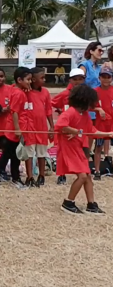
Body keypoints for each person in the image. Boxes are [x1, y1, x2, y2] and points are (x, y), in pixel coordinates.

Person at [55, 84, 112, 215]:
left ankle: (91, 204)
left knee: (87, 176)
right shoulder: (70, 112)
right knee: (82, 176)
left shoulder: (84, 115)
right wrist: (74, 130)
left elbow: (92, 131)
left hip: (78, 148)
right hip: (69, 148)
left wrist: (108, 133)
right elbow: (60, 125)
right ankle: (68, 202)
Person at [0, 67, 32, 189]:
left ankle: (14, 178)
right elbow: (15, 112)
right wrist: (17, 129)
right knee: (9, 153)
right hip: (14, 129)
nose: (30, 82)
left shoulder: (15, 90)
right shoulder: (18, 93)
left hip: (14, 128)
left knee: (13, 154)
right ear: (19, 80)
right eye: (28, 80)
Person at [51, 68, 86, 185]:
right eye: (75, 79)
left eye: (80, 79)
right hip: (65, 127)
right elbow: (52, 102)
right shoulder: (65, 94)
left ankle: (82, 171)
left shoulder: (84, 94)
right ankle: (61, 175)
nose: (77, 81)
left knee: (81, 148)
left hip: (78, 126)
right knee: (61, 151)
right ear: (70, 80)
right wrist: (60, 110)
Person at [24, 67, 54, 187]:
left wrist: (51, 126)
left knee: (41, 153)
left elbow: (48, 110)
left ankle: (41, 176)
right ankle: (30, 176)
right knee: (29, 153)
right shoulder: (26, 91)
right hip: (29, 127)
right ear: (33, 79)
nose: (44, 80)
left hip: (41, 127)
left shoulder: (45, 92)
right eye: (42, 78)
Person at [93, 67, 113, 180]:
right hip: (101, 125)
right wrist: (98, 110)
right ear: (99, 78)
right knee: (98, 147)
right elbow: (90, 107)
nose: (106, 79)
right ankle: (97, 170)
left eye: (108, 77)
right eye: (103, 77)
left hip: (112, 124)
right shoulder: (95, 92)